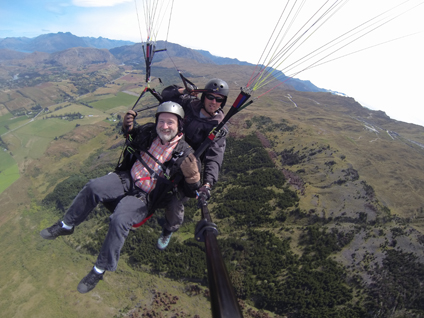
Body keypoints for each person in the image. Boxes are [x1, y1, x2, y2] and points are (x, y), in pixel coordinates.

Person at [40, 101, 201, 294]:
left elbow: (190, 193)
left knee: (119, 219)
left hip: (144, 196)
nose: (165, 126)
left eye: (170, 123)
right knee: (93, 186)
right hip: (127, 178)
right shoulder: (150, 131)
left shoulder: (186, 155)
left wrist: (193, 178)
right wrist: (127, 125)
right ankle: (67, 225)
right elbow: (129, 136)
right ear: (156, 121)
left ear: (179, 126)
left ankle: (99, 269)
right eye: (162, 121)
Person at [161, 78, 229, 202]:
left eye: (219, 99)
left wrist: (207, 184)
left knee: (174, 208)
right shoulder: (189, 104)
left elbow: (214, 157)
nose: (213, 102)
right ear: (204, 96)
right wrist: (183, 91)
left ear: (222, 103)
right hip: (165, 154)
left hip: (185, 167)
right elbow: (165, 96)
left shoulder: (218, 128)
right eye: (210, 97)